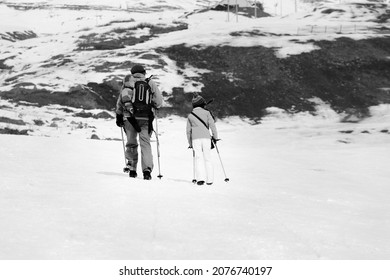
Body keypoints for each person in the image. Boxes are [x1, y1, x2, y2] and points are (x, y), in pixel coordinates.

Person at [116, 64, 163, 180]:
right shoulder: (150, 83)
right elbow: (159, 102)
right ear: (144, 72)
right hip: (146, 118)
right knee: (145, 144)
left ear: (132, 73)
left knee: (131, 143)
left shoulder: (127, 82)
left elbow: (120, 101)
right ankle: (147, 171)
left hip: (129, 118)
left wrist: (119, 115)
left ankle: (132, 169)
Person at [186, 94, 218, 185]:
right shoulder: (207, 113)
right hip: (206, 138)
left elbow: (188, 131)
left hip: (195, 139)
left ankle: (200, 179)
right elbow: (213, 126)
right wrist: (215, 137)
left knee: (198, 158)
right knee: (208, 158)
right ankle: (210, 180)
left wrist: (190, 143)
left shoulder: (190, 115)